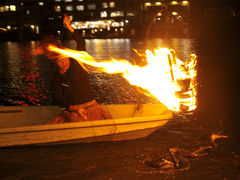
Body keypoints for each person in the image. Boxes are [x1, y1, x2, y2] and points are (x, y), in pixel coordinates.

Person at [47, 14, 112, 124]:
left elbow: (81, 43)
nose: (64, 62)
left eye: (65, 58)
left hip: (90, 105)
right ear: (55, 62)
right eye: (60, 60)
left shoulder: (76, 63)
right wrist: (73, 109)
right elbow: (58, 97)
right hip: (73, 110)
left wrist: (69, 27)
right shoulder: (56, 77)